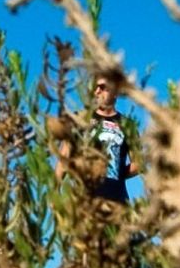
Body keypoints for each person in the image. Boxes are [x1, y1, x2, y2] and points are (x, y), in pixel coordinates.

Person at [60, 69, 140, 204]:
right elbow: (64, 157)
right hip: (84, 203)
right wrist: (54, 191)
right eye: (94, 87)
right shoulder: (79, 119)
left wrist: (115, 173)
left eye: (102, 87)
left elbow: (138, 163)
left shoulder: (128, 125)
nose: (97, 91)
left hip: (117, 204)